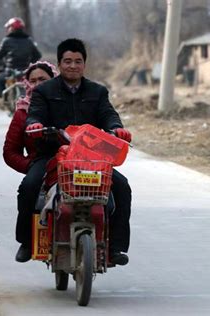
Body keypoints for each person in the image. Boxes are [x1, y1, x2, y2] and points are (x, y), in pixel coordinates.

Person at [23, 38, 132, 266]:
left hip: (89, 158)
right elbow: (35, 114)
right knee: (29, 186)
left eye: (78, 61)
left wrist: (116, 129)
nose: (73, 66)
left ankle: (116, 248)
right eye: (68, 61)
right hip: (53, 155)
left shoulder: (98, 91)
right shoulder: (44, 91)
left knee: (122, 188)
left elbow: (109, 114)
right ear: (60, 64)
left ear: (84, 64)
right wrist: (34, 125)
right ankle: (25, 241)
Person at [2, 61, 58, 261]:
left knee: (113, 187)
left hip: (74, 157)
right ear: (26, 84)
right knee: (28, 188)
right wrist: (30, 166)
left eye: (42, 79)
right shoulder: (22, 112)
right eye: (32, 81)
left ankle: (110, 247)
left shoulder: (66, 102)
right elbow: (10, 151)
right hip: (41, 161)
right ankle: (26, 242)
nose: (37, 85)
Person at [0, 17, 42, 98]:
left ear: (11, 28)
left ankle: (4, 96)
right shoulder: (29, 40)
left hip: (11, 71)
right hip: (26, 71)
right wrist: (30, 63)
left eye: (8, 28)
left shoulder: (7, 40)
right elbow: (38, 55)